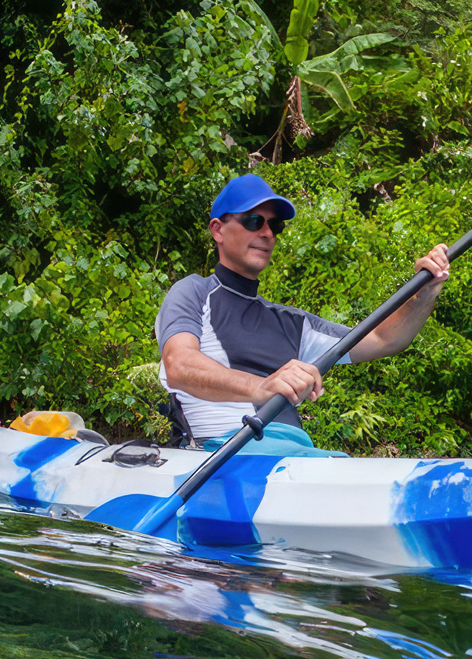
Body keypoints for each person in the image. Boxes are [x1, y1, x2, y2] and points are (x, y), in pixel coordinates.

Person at [155, 173, 451, 455]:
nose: (267, 233)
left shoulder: (294, 323)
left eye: (275, 225)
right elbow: (179, 366)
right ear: (218, 229)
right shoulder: (192, 292)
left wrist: (425, 290)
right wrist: (261, 386)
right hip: (225, 457)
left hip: (297, 459)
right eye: (254, 221)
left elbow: (385, 338)